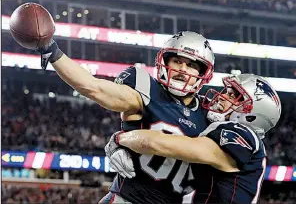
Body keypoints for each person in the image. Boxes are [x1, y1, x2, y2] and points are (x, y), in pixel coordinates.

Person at [15, 29, 215, 203]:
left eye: (191, 65)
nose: (182, 69)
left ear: (204, 72)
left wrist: (119, 139)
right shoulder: (146, 91)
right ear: (164, 61)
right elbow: (94, 88)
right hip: (128, 199)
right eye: (177, 61)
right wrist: (53, 51)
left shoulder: (210, 116)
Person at [107, 74, 282, 204]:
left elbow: (160, 143)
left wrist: (120, 138)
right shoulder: (222, 133)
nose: (223, 97)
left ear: (251, 115)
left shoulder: (243, 134)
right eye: (227, 92)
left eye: (233, 96)